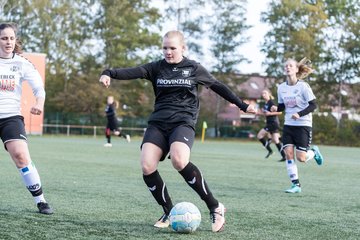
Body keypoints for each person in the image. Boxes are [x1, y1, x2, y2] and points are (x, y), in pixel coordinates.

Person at [99, 30, 256, 232]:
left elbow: (218, 86)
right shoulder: (156, 68)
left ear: (183, 48)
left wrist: (243, 106)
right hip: (158, 122)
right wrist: (108, 72)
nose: (168, 52)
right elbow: (133, 71)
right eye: (165, 48)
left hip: (183, 121)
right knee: (147, 166)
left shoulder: (193, 68)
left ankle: (215, 206)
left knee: (179, 160)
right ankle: (168, 210)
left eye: (172, 48)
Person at [0, 22, 53, 214]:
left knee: (21, 156)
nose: (8, 42)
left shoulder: (22, 63)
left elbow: (39, 88)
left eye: (11, 38)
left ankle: (41, 201)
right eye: (4, 38)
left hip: (10, 117)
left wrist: (39, 103)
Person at [270, 57, 324, 193]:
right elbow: (282, 106)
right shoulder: (281, 88)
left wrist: (299, 114)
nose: (288, 67)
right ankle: (296, 185)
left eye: (290, 66)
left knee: (301, 158)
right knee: (288, 153)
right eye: (286, 66)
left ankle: (314, 152)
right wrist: (276, 108)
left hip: (303, 125)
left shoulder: (303, 86)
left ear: (296, 69)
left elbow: (314, 105)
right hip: (288, 125)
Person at [257, 89, 286, 161]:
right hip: (271, 123)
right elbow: (265, 113)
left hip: (273, 123)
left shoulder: (271, 103)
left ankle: (269, 149)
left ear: (269, 94)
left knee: (259, 135)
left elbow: (280, 112)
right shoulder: (266, 104)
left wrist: (270, 113)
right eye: (262, 93)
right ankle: (284, 156)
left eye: (265, 93)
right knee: (276, 140)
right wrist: (257, 113)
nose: (263, 95)